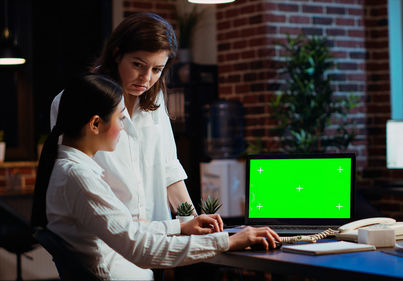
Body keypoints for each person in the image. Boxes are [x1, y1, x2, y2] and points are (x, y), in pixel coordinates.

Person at [32, 74, 280, 280]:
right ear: (95, 124)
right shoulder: (79, 177)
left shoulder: (72, 169)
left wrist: (180, 226)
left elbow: (127, 229)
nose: (125, 127)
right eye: (120, 118)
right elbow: (141, 249)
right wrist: (229, 242)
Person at [50, 12, 198, 223]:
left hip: (155, 236)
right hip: (106, 238)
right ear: (117, 54)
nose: (146, 79)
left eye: (157, 69)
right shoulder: (73, 100)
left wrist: (191, 220)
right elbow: (74, 177)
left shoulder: (154, 99)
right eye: (138, 64)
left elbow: (169, 169)